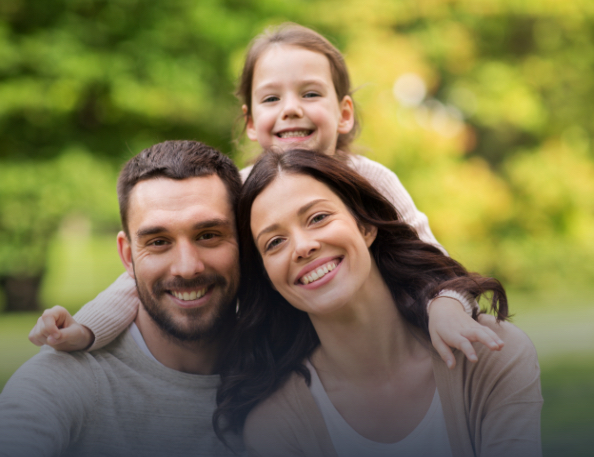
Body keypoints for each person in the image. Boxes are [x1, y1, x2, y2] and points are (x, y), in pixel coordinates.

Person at [29, 23, 504, 367]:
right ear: (252, 121)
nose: (291, 109)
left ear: (343, 113)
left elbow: (433, 262)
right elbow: (152, 265)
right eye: (272, 98)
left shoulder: (370, 179)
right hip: (291, 359)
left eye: (310, 94)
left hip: (386, 351)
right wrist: (88, 327)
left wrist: (447, 307)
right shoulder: (240, 192)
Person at [215, 149, 542, 457]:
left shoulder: (488, 355)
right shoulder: (276, 425)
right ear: (268, 277)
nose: (302, 246)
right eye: (274, 242)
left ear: (366, 226)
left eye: (317, 218)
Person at [0, 141, 244, 457]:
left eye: (208, 235)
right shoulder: (65, 379)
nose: (186, 268)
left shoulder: (290, 366)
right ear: (127, 256)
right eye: (158, 242)